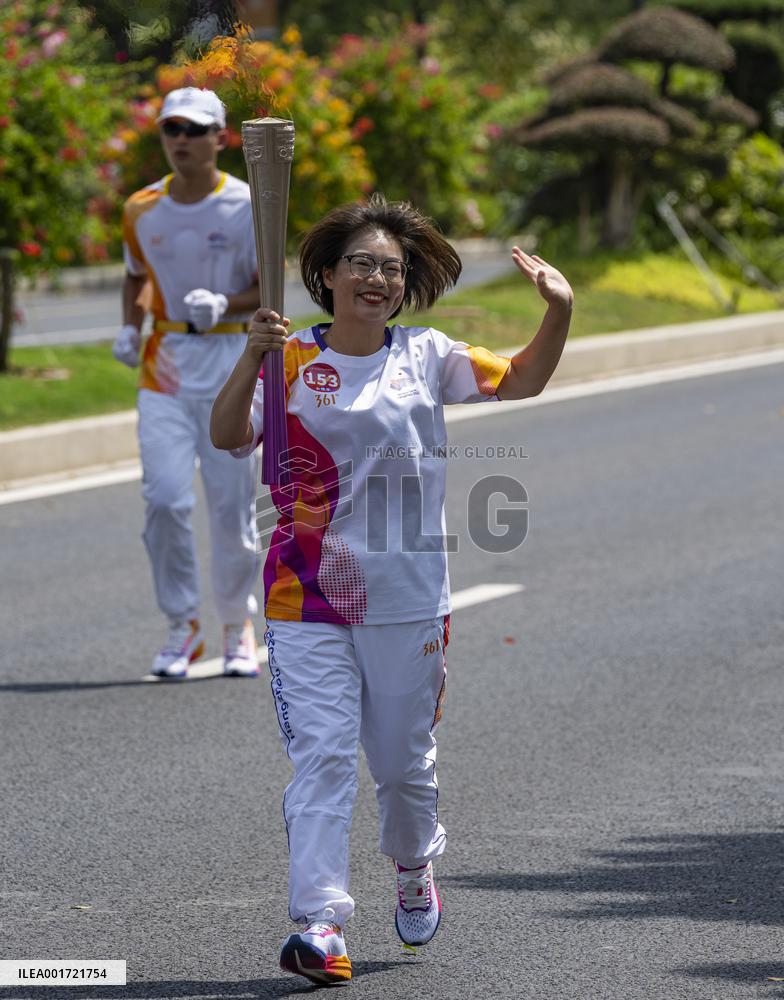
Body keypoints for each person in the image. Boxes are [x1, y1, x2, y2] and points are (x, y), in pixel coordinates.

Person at [210, 193, 573, 985]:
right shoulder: (289, 359)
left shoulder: (427, 355)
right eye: (362, 264)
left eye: (393, 269)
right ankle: (319, 922)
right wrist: (249, 358)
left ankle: (413, 865)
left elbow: (522, 380)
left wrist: (560, 311)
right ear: (329, 275)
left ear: (403, 287)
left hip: (408, 595)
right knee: (324, 758)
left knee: (404, 766)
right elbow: (230, 434)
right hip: (305, 596)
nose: (377, 278)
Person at [112, 87, 262, 679]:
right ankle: (182, 625)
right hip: (166, 368)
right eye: (171, 128)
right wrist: (129, 327)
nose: (181, 140)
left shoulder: (249, 205)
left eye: (194, 130)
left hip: (232, 366)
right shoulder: (140, 209)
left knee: (231, 509)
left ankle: (235, 623)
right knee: (165, 502)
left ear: (219, 138)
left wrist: (225, 302)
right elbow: (134, 278)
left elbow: (268, 288)